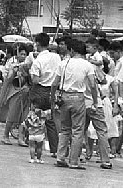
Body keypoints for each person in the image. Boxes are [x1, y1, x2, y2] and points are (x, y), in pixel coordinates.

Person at [51, 39, 99, 170]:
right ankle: (73, 161)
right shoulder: (87, 65)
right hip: (78, 97)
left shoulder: (64, 63)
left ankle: (60, 157)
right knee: (77, 130)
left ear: (72, 50)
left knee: (65, 129)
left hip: (64, 97)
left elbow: (55, 83)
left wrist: (53, 98)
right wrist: (95, 101)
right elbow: (93, 85)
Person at [29, 32, 61, 157]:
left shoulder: (38, 61)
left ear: (37, 44)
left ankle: (36, 147)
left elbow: (35, 80)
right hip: (52, 90)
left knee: (36, 119)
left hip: (40, 89)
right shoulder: (56, 57)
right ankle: (55, 149)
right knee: (51, 121)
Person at [0, 44, 31, 146]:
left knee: (23, 117)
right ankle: (5, 135)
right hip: (14, 91)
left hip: (26, 92)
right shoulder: (12, 65)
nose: (23, 56)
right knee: (12, 114)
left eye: (25, 54)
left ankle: (21, 138)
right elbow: (8, 79)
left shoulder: (28, 65)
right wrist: (15, 73)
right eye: (21, 54)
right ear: (17, 54)